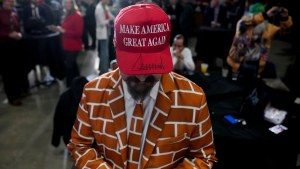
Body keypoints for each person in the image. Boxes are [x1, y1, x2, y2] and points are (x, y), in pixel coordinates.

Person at [67, 3, 217, 169]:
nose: (142, 76)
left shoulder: (193, 98)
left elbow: (204, 156)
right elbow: (80, 145)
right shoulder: (93, 92)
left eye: (152, 66)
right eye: (133, 67)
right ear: (116, 51)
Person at [226, 4, 293, 80]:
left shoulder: (269, 28)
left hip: (256, 67)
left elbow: (285, 31)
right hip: (236, 65)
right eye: (255, 15)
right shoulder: (243, 24)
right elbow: (247, 20)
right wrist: (265, 15)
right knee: (233, 83)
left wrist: (285, 19)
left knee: (252, 86)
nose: (259, 21)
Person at [50, 0, 84, 87]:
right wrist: (59, 28)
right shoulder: (66, 15)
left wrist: (64, 31)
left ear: (73, 4)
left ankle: (70, 87)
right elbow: (65, 27)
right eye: (65, 3)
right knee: (73, 66)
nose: (67, 5)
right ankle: (79, 84)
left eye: (69, 3)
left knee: (69, 67)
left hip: (74, 45)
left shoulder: (77, 16)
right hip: (66, 45)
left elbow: (78, 33)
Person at [95, 0, 115, 75]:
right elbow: (101, 23)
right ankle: (104, 71)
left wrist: (116, 19)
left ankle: (102, 68)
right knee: (104, 53)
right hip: (102, 33)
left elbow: (110, 15)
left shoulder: (105, 7)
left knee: (104, 52)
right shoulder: (99, 8)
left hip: (106, 31)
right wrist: (109, 20)